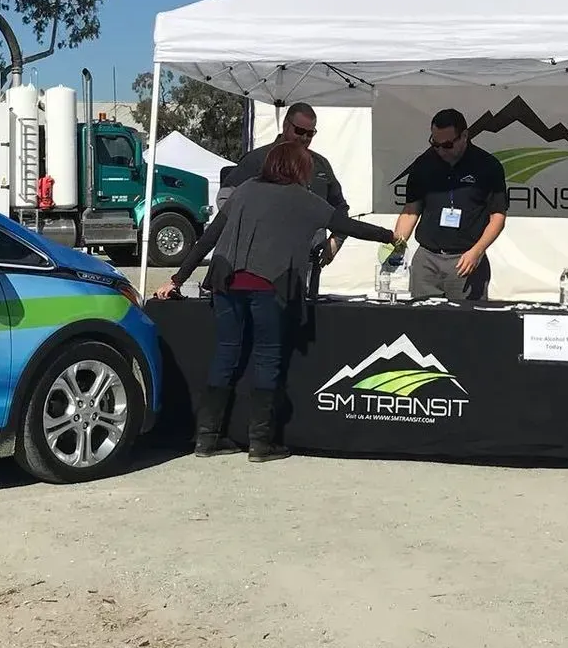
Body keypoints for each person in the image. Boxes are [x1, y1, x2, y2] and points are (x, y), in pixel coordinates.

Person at [155, 140, 398, 461]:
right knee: (267, 358)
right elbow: (348, 226)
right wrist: (389, 236)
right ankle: (261, 443)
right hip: (269, 286)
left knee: (226, 355)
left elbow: (209, 238)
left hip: (225, 283)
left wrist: (177, 279)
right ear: (300, 168)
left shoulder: (244, 190)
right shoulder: (305, 200)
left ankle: (206, 439)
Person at [392, 108, 509, 304]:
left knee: (467, 319)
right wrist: (397, 245)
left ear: (464, 136)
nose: (440, 150)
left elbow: (498, 216)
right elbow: (411, 210)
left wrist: (477, 251)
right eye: (435, 143)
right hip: (427, 259)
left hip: (466, 258)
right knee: (423, 318)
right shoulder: (423, 164)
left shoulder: (488, 166)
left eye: (447, 145)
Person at [221, 102, 349, 265]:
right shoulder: (258, 159)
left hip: (307, 261)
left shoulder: (320, 165)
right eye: (299, 131)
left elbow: (340, 208)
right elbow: (225, 198)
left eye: (310, 133)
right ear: (285, 125)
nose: (304, 138)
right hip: (262, 260)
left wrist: (335, 240)